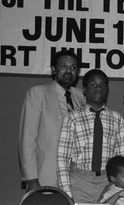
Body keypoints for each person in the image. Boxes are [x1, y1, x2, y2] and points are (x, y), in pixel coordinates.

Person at [19, 50, 85, 191]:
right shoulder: (38, 94)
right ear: (54, 69)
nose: (69, 71)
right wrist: (32, 180)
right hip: (47, 177)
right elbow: (27, 140)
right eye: (64, 66)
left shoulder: (81, 97)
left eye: (73, 67)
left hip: (79, 180)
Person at [57, 69, 124, 202]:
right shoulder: (72, 118)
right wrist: (66, 192)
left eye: (102, 85)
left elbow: (122, 159)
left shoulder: (117, 118)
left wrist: (119, 186)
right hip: (79, 182)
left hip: (108, 182)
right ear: (84, 89)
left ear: (107, 90)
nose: (98, 88)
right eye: (93, 84)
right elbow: (62, 158)